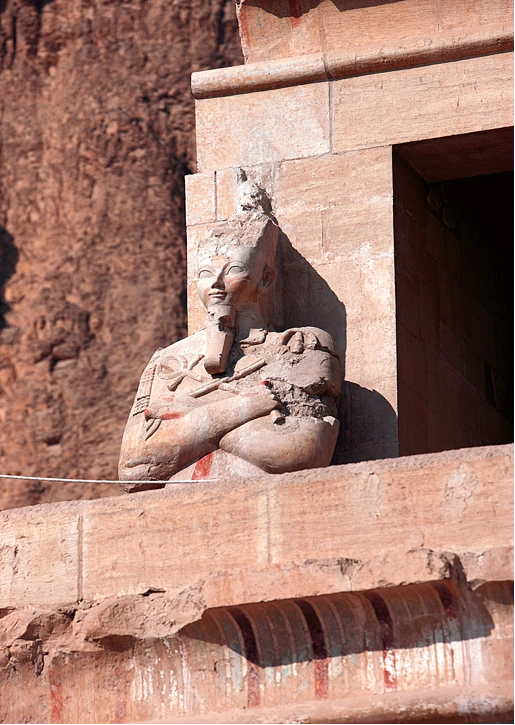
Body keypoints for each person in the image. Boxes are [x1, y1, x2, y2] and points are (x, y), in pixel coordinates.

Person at [119, 192, 341, 489]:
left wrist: (187, 418)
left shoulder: (297, 345)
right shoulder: (168, 360)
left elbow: (302, 452)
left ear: (265, 279)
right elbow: (134, 468)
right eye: (205, 274)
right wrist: (247, 407)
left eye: (233, 270)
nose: (216, 283)